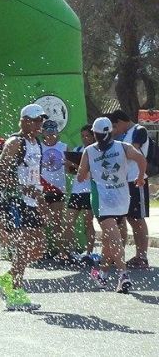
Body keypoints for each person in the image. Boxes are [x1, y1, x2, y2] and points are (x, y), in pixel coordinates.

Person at [77, 117, 146, 293]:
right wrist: (140, 176)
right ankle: (123, 275)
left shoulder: (118, 147)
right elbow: (141, 160)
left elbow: (140, 159)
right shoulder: (96, 150)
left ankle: (102, 273)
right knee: (113, 235)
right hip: (103, 200)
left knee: (109, 240)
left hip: (120, 198)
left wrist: (139, 177)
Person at [0, 104, 48, 310]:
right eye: (35, 120)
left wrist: (39, 197)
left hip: (32, 201)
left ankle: (8, 278)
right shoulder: (15, 142)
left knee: (39, 247)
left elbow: (33, 173)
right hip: (16, 200)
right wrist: (23, 187)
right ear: (24, 121)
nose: (40, 124)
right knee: (22, 246)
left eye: (41, 120)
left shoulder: (36, 143)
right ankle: (15, 291)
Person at [107, 110, 150, 269]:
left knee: (138, 219)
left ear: (121, 121)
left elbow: (133, 151)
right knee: (129, 219)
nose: (115, 130)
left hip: (136, 180)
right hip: (123, 182)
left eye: (115, 126)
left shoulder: (139, 130)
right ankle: (127, 254)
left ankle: (142, 256)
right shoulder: (121, 135)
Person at [64, 124, 97, 263]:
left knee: (88, 223)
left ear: (93, 136)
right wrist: (68, 165)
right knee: (69, 222)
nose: (85, 139)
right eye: (83, 136)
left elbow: (90, 174)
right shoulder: (78, 150)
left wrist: (77, 167)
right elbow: (72, 172)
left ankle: (89, 253)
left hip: (89, 191)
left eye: (87, 136)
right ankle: (70, 251)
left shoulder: (96, 152)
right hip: (77, 191)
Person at [39, 120, 70, 261]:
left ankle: (61, 251)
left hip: (58, 188)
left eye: (53, 132)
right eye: (48, 133)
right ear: (43, 133)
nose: (50, 135)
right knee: (42, 221)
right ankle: (41, 250)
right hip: (42, 188)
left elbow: (70, 168)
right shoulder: (38, 147)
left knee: (58, 222)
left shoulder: (63, 147)